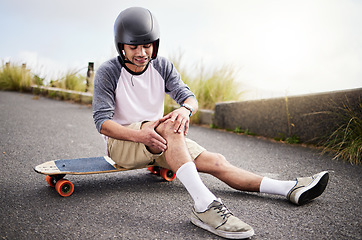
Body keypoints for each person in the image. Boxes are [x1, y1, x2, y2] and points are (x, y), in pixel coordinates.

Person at [92, 7, 329, 239]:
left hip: (160, 139)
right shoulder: (109, 72)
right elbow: (102, 122)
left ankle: (288, 187)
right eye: (134, 47)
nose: (142, 52)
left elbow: (190, 98)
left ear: (156, 44)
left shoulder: (162, 66)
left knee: (215, 160)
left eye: (147, 45)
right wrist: (140, 135)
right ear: (121, 46)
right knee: (169, 125)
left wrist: (185, 110)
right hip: (123, 143)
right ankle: (205, 205)